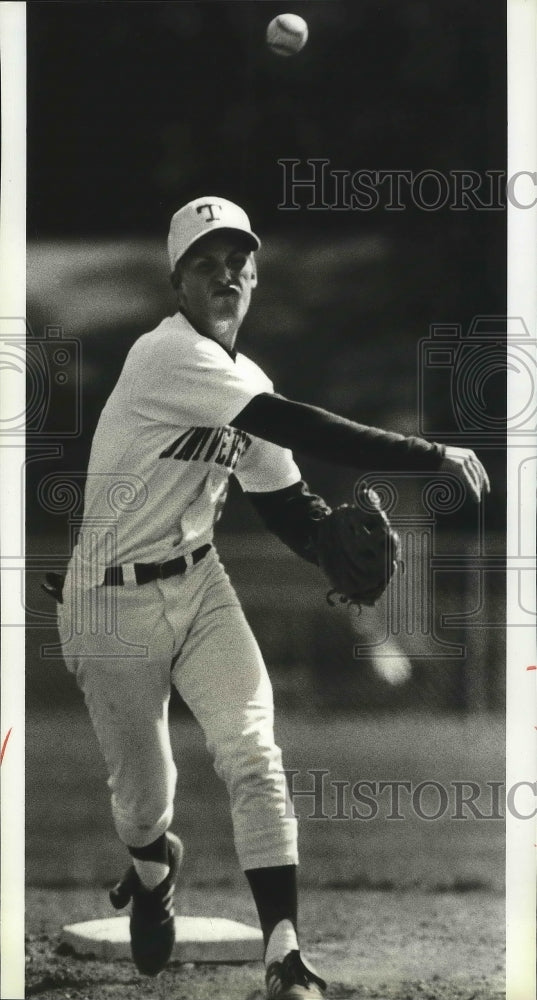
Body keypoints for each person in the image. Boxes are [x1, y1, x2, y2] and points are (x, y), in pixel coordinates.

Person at [53, 196, 490, 999]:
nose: (225, 276)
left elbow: (285, 501)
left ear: (253, 278)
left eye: (237, 263)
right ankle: (153, 868)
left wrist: (330, 546)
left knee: (255, 751)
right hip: (107, 604)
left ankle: (284, 953)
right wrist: (427, 455)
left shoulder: (241, 379)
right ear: (177, 283)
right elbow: (298, 425)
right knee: (145, 802)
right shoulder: (165, 357)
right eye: (205, 264)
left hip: (199, 581)